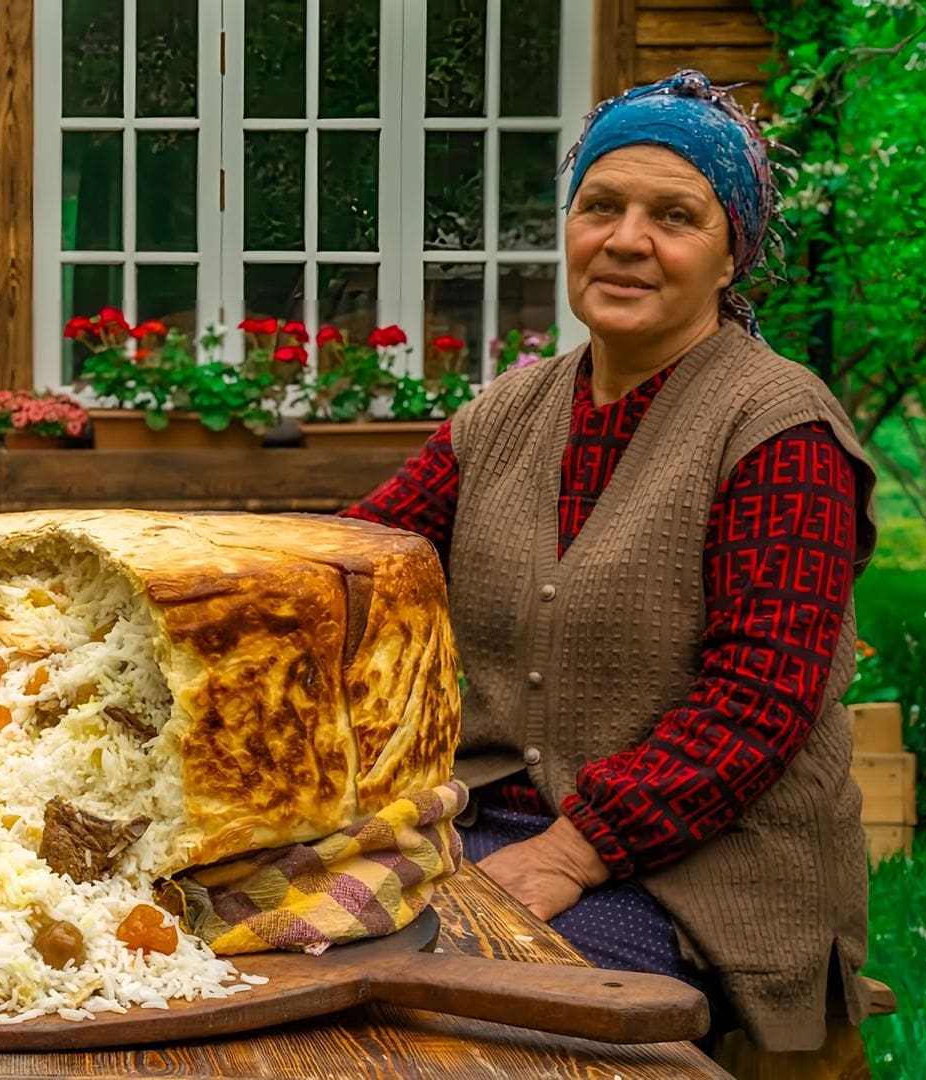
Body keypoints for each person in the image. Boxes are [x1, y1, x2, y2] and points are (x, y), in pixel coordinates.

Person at [342, 71, 875, 1053]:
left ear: (732, 256)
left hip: (700, 870)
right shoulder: (507, 415)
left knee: (496, 1017)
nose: (627, 240)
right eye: (601, 207)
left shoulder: (779, 430)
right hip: (487, 829)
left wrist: (572, 852)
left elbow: (755, 703)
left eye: (675, 216)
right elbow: (355, 569)